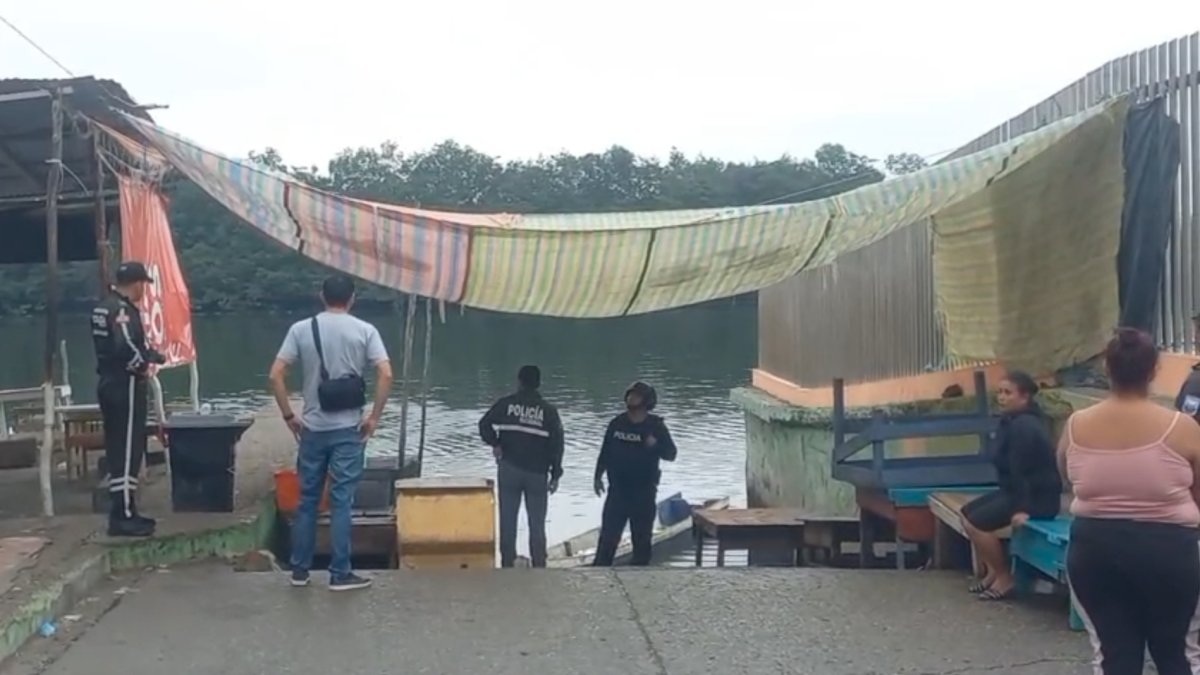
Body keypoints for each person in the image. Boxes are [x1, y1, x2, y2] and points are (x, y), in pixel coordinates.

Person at [1061, 328, 1200, 675]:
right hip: (1170, 553)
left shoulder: (1076, 425)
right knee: (1178, 655)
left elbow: (1068, 477)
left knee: (1114, 657)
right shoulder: (1181, 427)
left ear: (1107, 368)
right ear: (1154, 370)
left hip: (1095, 550)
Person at [268, 274, 392, 591]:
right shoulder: (365, 330)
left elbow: (276, 375)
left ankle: (299, 571)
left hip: (312, 429)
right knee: (341, 502)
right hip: (349, 429)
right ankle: (340, 573)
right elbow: (385, 374)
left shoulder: (301, 329)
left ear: (322, 296)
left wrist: (288, 416)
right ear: (352, 299)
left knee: (308, 501)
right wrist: (374, 418)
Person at [961, 370, 1062, 600]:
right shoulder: (1010, 421)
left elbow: (1023, 471)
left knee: (977, 524)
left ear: (1024, 397)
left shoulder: (1025, 426)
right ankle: (993, 572)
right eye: (1000, 392)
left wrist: (1023, 509)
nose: (1002, 397)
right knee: (966, 514)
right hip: (1015, 490)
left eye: (1008, 393)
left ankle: (1005, 577)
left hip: (1036, 498)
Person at [91, 261, 166, 537]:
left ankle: (125, 510)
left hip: (109, 383)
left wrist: (150, 353)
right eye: (143, 285)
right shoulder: (122, 310)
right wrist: (144, 362)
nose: (144, 291)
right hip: (125, 385)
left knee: (117, 447)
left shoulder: (103, 306)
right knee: (128, 449)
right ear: (136, 284)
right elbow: (125, 346)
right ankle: (122, 514)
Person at [478, 365, 564, 568]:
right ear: (538, 383)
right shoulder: (549, 412)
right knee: (537, 524)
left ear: (519, 381)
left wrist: (496, 443)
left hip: (509, 469)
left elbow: (484, 424)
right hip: (537, 473)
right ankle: (539, 565)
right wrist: (556, 474)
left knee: (508, 521)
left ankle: (507, 564)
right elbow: (557, 445)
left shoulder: (506, 405)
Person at [592, 381, 677, 566]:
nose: (631, 398)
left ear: (646, 401)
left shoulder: (655, 426)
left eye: (636, 396)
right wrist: (597, 477)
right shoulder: (617, 423)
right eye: (630, 395)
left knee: (641, 544)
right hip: (617, 492)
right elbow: (605, 452)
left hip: (643, 493)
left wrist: (656, 445)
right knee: (607, 541)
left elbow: (671, 454)